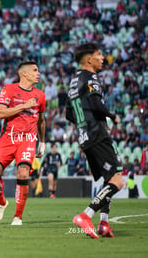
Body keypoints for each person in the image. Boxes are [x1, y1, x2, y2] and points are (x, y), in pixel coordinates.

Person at [66, 43, 123, 239]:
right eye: (99, 54)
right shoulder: (91, 77)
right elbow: (96, 105)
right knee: (118, 181)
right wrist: (112, 116)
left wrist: (83, 125)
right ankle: (86, 215)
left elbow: (68, 113)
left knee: (109, 178)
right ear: (89, 59)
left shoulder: (73, 81)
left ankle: (104, 223)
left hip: (84, 136)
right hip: (97, 134)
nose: (102, 58)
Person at [0, 61, 46, 226]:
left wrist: (42, 141)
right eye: (35, 70)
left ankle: (18, 217)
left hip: (27, 140)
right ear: (25, 74)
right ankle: (2, 202)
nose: (38, 73)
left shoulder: (40, 95)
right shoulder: (9, 89)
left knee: (23, 173)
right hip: (8, 138)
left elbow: (41, 120)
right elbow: (0, 113)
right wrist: (24, 106)